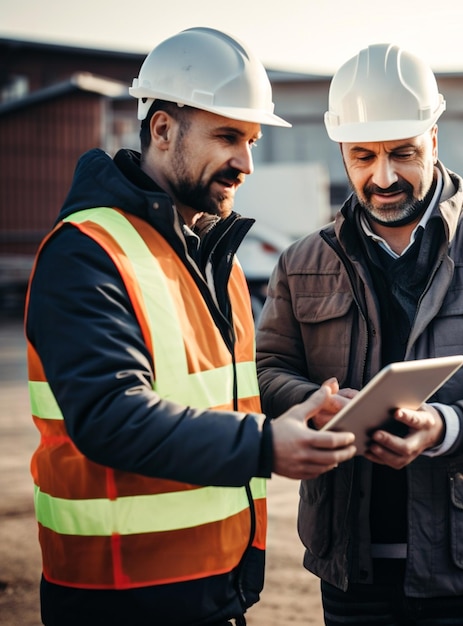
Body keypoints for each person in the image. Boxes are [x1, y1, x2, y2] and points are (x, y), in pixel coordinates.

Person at [25, 27, 356, 626]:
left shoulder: (213, 258)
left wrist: (299, 410)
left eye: (252, 140)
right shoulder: (86, 252)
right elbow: (109, 415)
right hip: (119, 599)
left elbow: (219, 398)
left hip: (214, 591)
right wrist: (265, 446)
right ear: (162, 130)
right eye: (228, 136)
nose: (246, 162)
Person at [255, 43, 463, 626]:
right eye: (362, 156)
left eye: (402, 153)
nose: (383, 178)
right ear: (342, 152)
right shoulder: (301, 262)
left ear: (434, 139)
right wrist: (316, 404)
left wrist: (446, 427)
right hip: (350, 568)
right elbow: (265, 370)